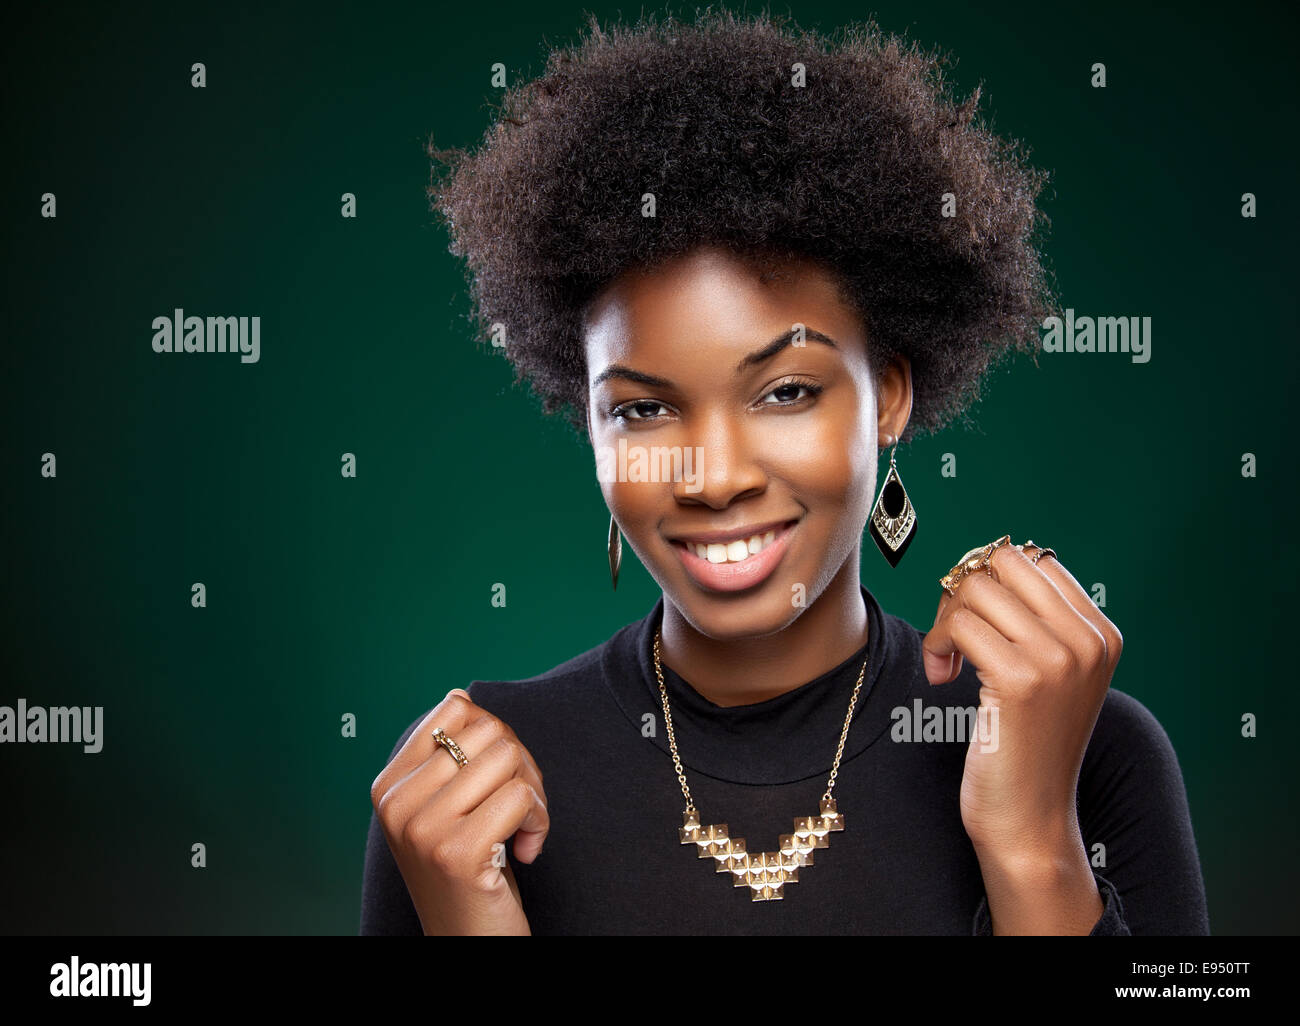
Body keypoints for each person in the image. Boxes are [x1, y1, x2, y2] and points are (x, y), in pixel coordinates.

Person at [361, 10, 1209, 935]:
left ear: (888, 396)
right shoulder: (463, 786)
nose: (715, 476)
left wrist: (1034, 845)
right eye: (643, 409)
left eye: (785, 392)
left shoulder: (1090, 752)